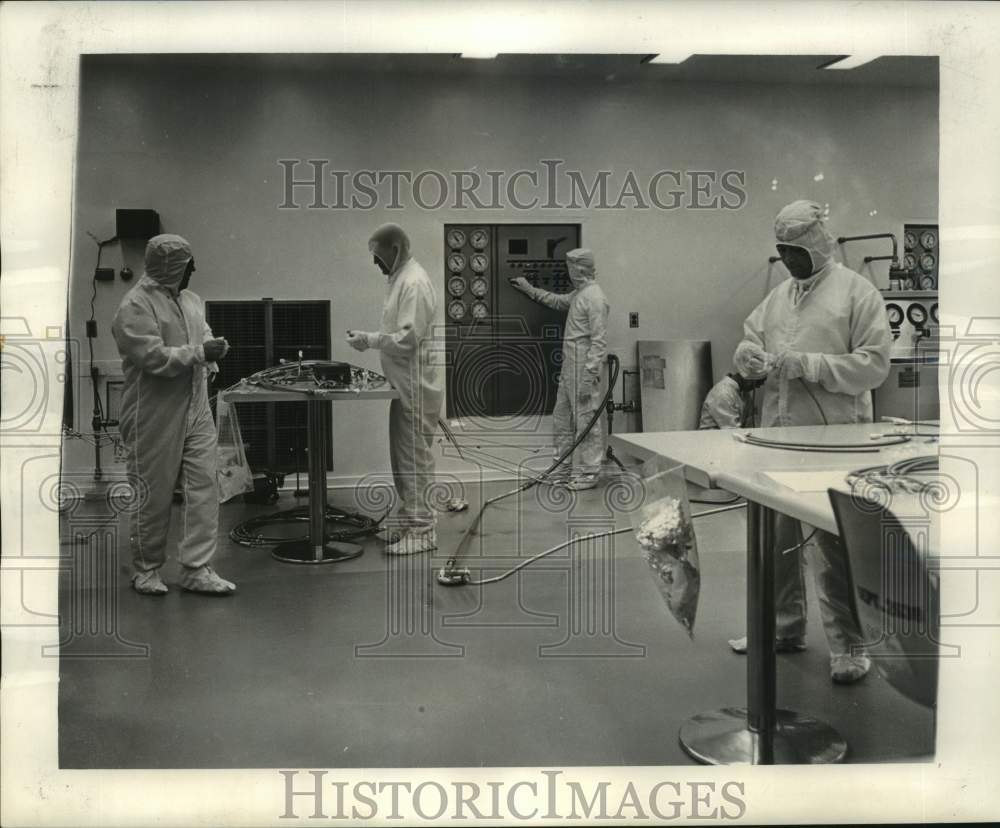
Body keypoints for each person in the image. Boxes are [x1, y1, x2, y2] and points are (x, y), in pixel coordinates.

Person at [729, 200, 891, 683]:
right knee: (775, 538)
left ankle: (849, 645)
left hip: (833, 440)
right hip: (778, 435)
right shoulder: (781, 295)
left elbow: (875, 365)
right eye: (784, 251)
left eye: (798, 250)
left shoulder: (856, 294)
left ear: (819, 244)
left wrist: (812, 365)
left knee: (831, 542)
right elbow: (752, 338)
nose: (791, 260)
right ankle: (783, 628)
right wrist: (748, 358)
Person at [112, 234, 236, 595]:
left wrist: (212, 351)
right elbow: (152, 358)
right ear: (170, 266)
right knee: (153, 492)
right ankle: (146, 569)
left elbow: (203, 333)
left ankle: (196, 567)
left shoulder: (191, 300)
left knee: (205, 487)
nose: (194, 269)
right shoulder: (135, 305)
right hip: (153, 411)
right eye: (188, 264)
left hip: (196, 404)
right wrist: (200, 352)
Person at [347, 223, 443, 555]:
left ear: (395, 250)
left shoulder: (413, 282)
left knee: (414, 458)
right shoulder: (401, 279)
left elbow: (407, 338)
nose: (375, 264)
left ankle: (423, 530)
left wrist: (369, 340)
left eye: (377, 256)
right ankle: (409, 521)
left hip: (414, 386)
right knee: (403, 458)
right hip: (404, 385)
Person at [510, 248, 610, 491]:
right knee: (562, 419)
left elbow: (599, 341)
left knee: (586, 420)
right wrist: (528, 288)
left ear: (580, 269)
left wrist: (588, 377)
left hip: (583, 362)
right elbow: (556, 300)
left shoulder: (595, 298)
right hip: (570, 362)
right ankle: (562, 470)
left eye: (571, 268)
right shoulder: (580, 294)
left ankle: (589, 474)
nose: (569, 272)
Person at [698, 369, 763, 430]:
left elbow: (751, 419)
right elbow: (731, 429)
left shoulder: (743, 392)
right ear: (749, 378)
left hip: (730, 435)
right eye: (759, 382)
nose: (758, 386)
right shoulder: (723, 393)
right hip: (713, 438)